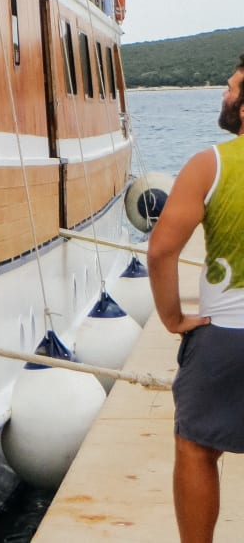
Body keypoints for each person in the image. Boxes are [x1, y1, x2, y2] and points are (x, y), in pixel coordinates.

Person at [148, 54, 244, 543]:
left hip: (224, 336)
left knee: (197, 447)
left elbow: (163, 249)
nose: (225, 96)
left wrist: (171, 318)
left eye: (231, 89)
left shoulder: (211, 164)